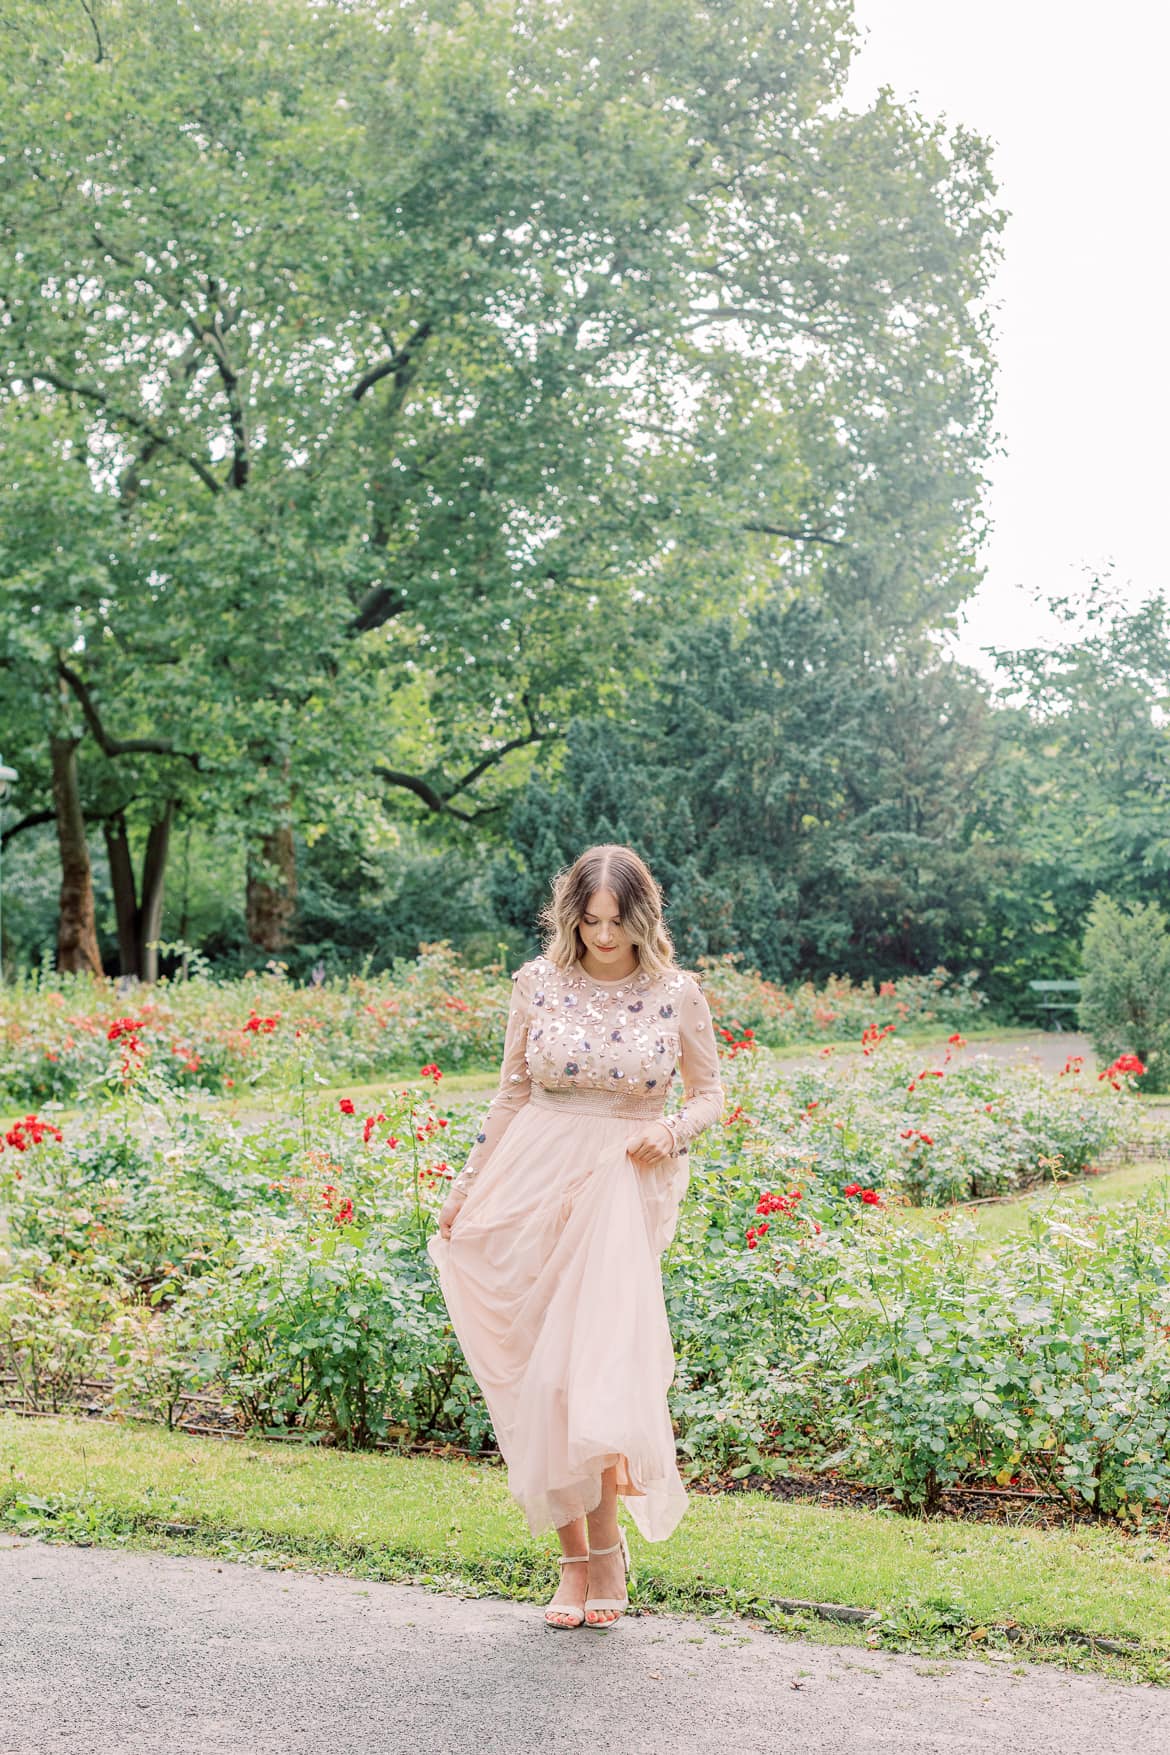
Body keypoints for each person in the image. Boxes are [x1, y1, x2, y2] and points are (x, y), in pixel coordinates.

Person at [427, 843, 725, 1630]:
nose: (601, 935)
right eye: (588, 920)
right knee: (540, 1377)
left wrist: (674, 1132)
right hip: (531, 1177)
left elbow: (711, 1091)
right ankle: (579, 1558)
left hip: (618, 1189)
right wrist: (464, 1188)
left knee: (586, 1372)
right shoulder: (536, 981)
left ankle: (604, 1552)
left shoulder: (676, 992)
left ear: (641, 917)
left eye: (615, 920)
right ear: (571, 916)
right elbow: (509, 1094)